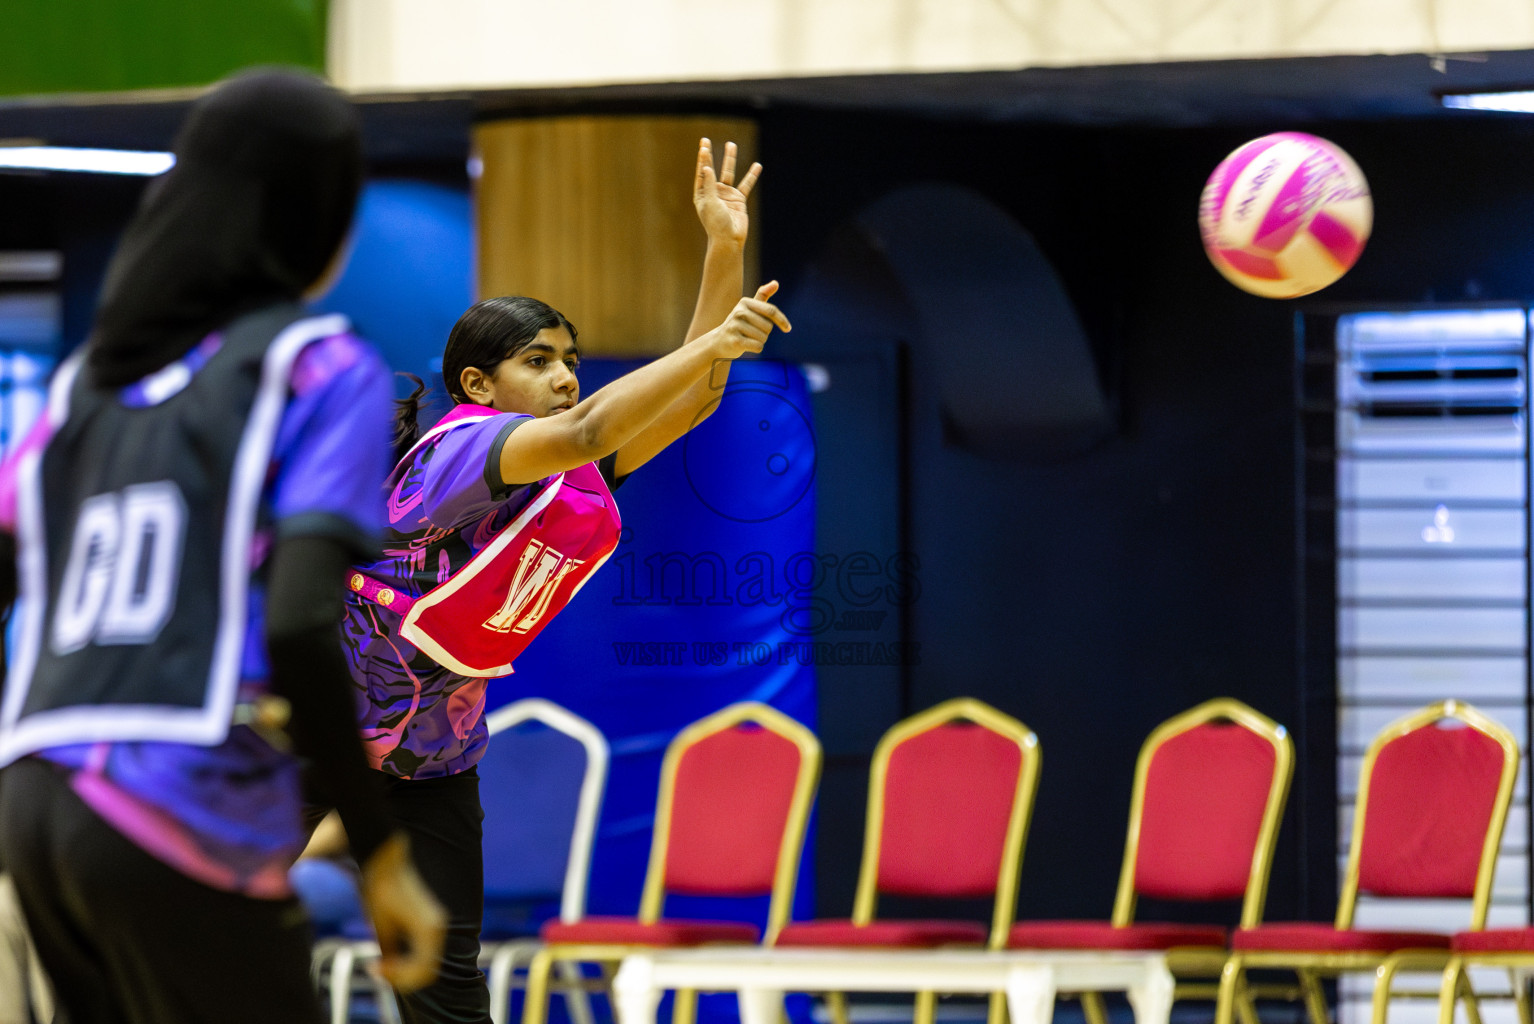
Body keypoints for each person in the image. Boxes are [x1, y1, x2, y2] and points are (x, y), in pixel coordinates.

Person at [0, 69, 445, 1023]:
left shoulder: (87, 385)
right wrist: (381, 849)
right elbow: (298, 621)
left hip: (33, 795)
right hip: (176, 800)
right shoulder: (318, 366)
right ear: (319, 215)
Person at [330, 138, 790, 1022]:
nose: (565, 375)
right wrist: (707, 348)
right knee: (198, 920)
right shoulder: (465, 447)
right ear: (478, 384)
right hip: (316, 717)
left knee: (442, 975)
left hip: (430, 751)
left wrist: (723, 254)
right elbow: (585, 429)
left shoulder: (559, 478)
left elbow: (690, 401)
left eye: (570, 359)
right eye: (538, 360)